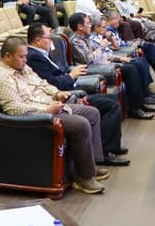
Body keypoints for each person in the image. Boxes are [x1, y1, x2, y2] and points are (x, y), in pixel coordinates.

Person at [0, 37, 107, 194]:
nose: (25, 60)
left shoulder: (23, 68)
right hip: (37, 118)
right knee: (81, 124)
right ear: (7, 56)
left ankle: (91, 165)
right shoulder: (2, 78)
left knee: (92, 113)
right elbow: (14, 109)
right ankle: (84, 178)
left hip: (51, 106)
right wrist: (46, 111)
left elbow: (43, 84)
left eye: (25, 56)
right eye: (21, 57)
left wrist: (57, 93)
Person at [25, 23, 127, 165]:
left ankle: (110, 147)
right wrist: (71, 76)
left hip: (66, 91)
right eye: (48, 37)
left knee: (111, 100)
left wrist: (70, 75)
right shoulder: (33, 57)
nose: (51, 41)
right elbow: (51, 83)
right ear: (37, 40)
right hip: (63, 96)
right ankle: (105, 151)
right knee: (111, 105)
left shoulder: (41, 54)